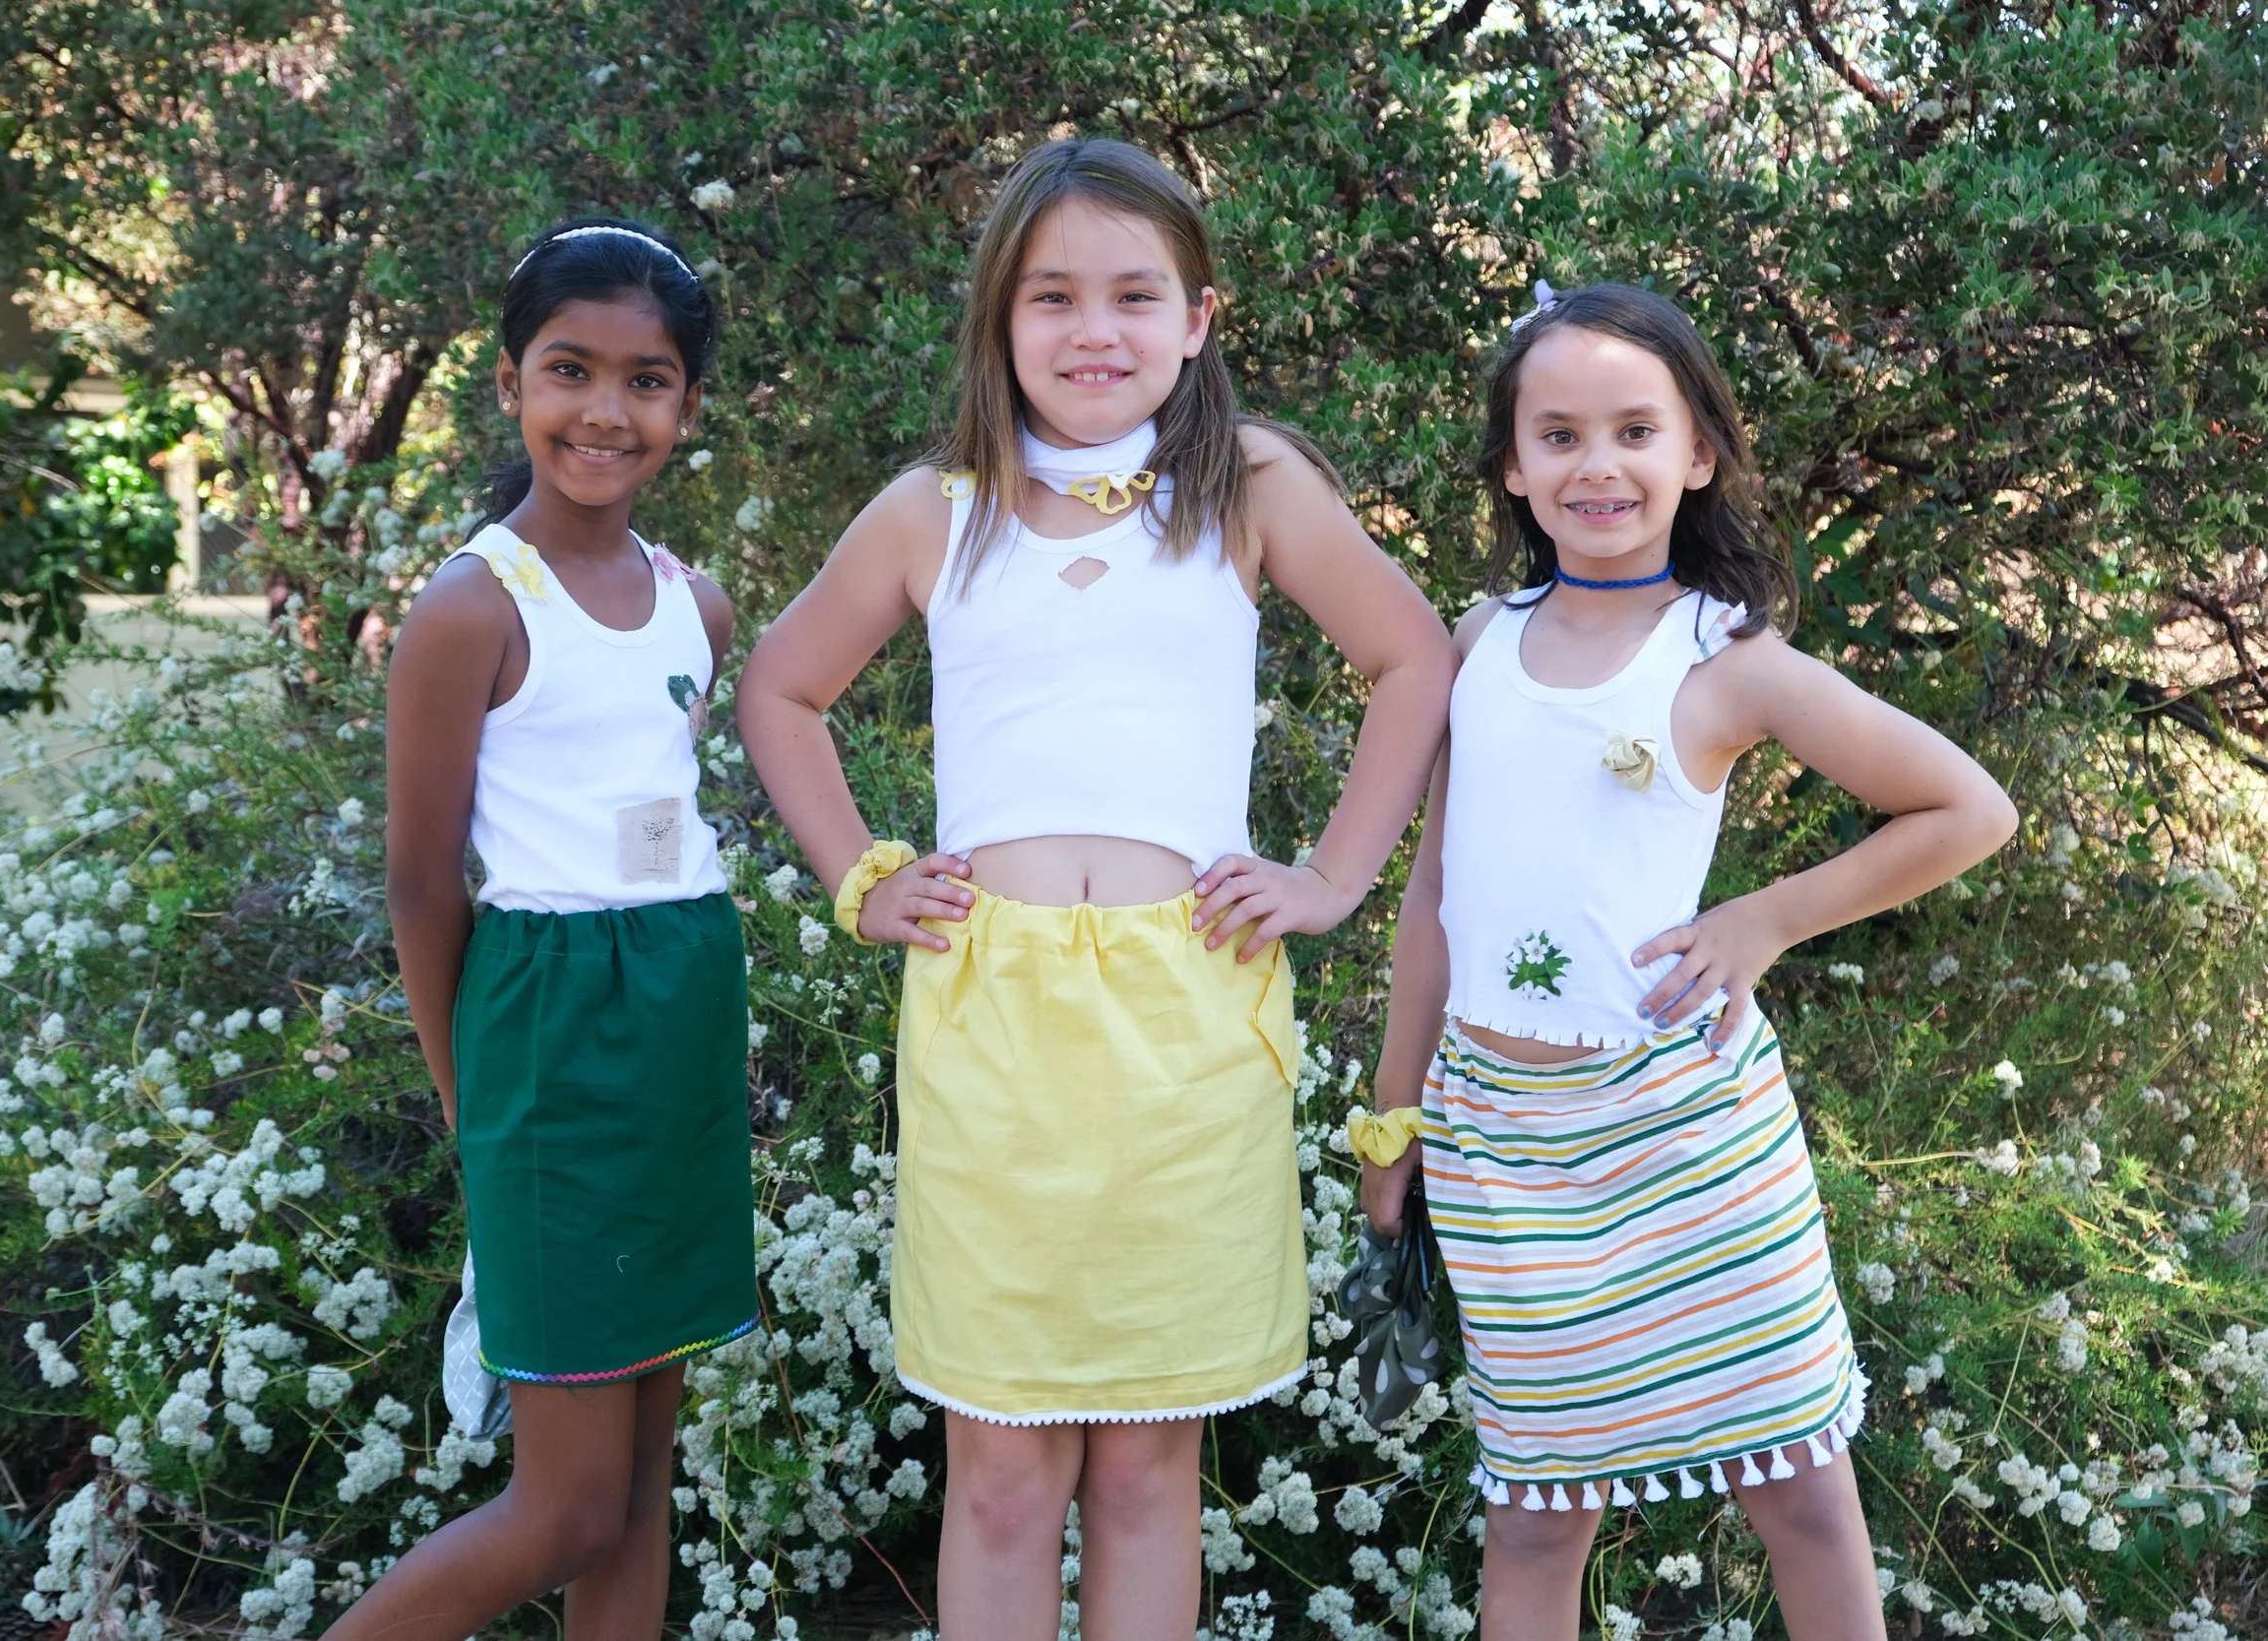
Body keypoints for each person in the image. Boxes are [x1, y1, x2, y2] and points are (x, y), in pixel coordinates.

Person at [737, 139, 1456, 1641]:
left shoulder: (1247, 486)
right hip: (990, 1031)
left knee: (1147, 1463)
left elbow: (1413, 659)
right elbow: (782, 693)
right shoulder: (936, 511)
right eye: (1052, 295)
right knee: (999, 1471)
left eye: (1137, 294)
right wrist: (861, 877)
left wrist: (1329, 876)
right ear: (1000, 319)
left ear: (1200, 317)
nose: (1094, 331)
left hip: (1189, 1027)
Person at [1354, 281, 2018, 1641]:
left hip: (1687, 1134)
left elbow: (1968, 808)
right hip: (1502, 1144)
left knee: (1804, 1491)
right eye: (1558, 435)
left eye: (1634, 430)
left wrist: (1763, 916)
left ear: (1698, 450)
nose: (1598, 463)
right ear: (1514, 467)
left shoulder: (1726, 658)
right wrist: (1393, 1110)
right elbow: (1431, 898)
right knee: (1537, 1518)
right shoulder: (1473, 645)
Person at [340, 219, 755, 1641]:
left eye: (647, 381)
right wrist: (474, 1101)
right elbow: (418, 882)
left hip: (681, 1031)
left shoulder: (697, 604)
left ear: (687, 410)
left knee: (641, 1484)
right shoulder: (471, 606)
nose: (606, 409)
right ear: (510, 381)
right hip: (546, 1047)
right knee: (567, 1501)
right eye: (570, 369)